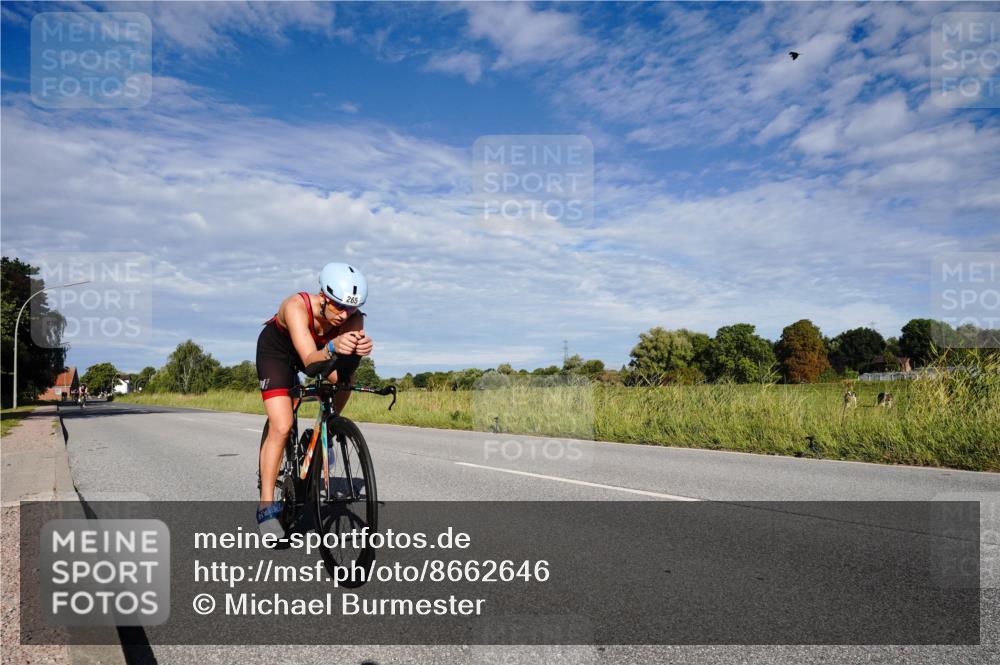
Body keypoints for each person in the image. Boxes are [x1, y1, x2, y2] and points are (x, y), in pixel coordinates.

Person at [255, 263, 373, 536]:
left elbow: (343, 373)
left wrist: (355, 354)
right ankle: (265, 507)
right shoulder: (296, 306)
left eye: (351, 309)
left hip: (318, 353)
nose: (344, 316)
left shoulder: (353, 318)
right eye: (338, 307)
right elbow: (309, 362)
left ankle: (326, 432)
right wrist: (332, 346)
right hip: (279, 353)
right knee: (282, 425)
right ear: (324, 296)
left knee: (346, 382)